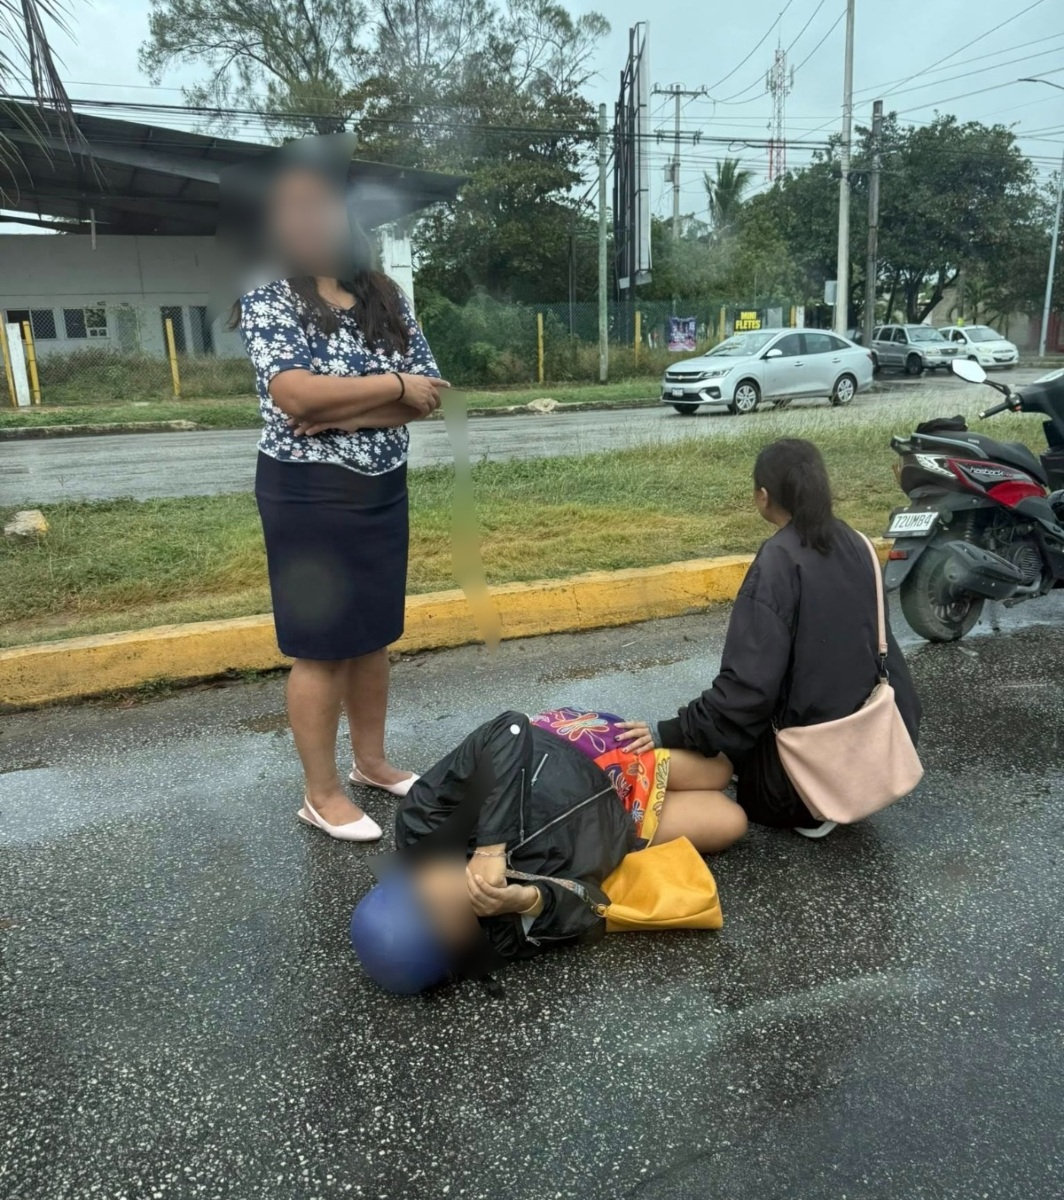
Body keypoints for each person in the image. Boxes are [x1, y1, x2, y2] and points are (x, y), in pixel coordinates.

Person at [235, 145, 449, 843]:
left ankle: (372, 763)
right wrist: (388, 388)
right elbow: (292, 394)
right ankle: (319, 793)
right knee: (322, 646)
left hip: (382, 489)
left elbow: (431, 395)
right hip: (306, 495)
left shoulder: (385, 297)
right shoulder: (268, 297)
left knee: (373, 636)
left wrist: (336, 407)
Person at [618, 438, 921, 838]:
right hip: (873, 754)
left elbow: (746, 692)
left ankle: (811, 805)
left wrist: (668, 732)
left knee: (722, 756)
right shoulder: (860, 544)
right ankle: (834, 793)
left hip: (797, 783)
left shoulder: (779, 560)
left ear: (763, 497)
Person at [349, 708, 747, 994]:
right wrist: (527, 900)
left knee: (720, 771)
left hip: (581, 756)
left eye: (434, 906)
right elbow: (594, 906)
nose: (459, 906)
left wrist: (491, 848)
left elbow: (511, 730)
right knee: (731, 821)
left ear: (410, 880)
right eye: (451, 940)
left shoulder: (422, 821)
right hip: (619, 820)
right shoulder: (498, 936)